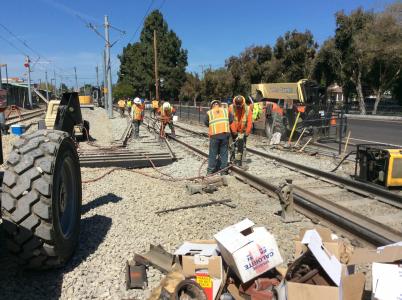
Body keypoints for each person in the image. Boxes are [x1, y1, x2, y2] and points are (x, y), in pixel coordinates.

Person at [204, 100, 233, 175]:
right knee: (224, 153)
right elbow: (231, 119)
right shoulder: (225, 111)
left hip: (214, 135)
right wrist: (225, 124)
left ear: (211, 106)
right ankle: (223, 171)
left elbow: (206, 122)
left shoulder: (209, 112)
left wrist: (213, 126)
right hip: (225, 134)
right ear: (219, 105)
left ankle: (210, 171)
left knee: (213, 154)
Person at [228, 95, 253, 167]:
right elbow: (230, 120)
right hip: (232, 131)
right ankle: (233, 160)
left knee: (243, 146)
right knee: (232, 146)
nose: (238, 107)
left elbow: (249, 122)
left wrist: (247, 132)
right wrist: (234, 131)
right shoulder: (231, 108)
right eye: (237, 105)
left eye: (240, 105)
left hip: (242, 131)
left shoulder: (248, 109)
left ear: (243, 103)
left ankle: (242, 162)